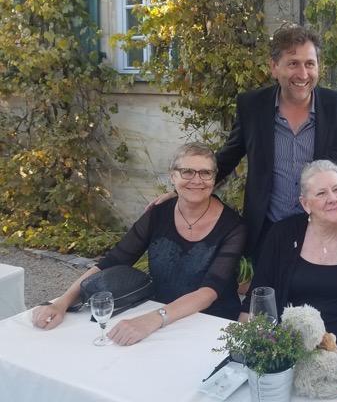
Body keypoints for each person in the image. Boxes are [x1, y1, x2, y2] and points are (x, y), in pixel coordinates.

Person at [150, 24, 337, 263]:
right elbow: (228, 157)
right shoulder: (253, 106)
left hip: (322, 227)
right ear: (274, 67)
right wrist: (183, 190)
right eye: (293, 63)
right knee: (267, 296)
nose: (303, 74)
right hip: (268, 230)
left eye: (310, 63)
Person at [32, 142, 246, 345]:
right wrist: (61, 302)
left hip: (211, 323)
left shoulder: (233, 226)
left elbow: (210, 291)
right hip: (156, 316)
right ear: (172, 176)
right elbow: (113, 260)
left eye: (205, 173)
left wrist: (152, 320)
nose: (196, 180)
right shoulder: (157, 215)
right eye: (187, 172)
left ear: (214, 178)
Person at [240, 160, 337, 353]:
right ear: (305, 204)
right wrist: (255, 348)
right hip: (291, 348)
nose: (333, 198)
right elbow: (257, 298)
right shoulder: (282, 234)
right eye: (321, 193)